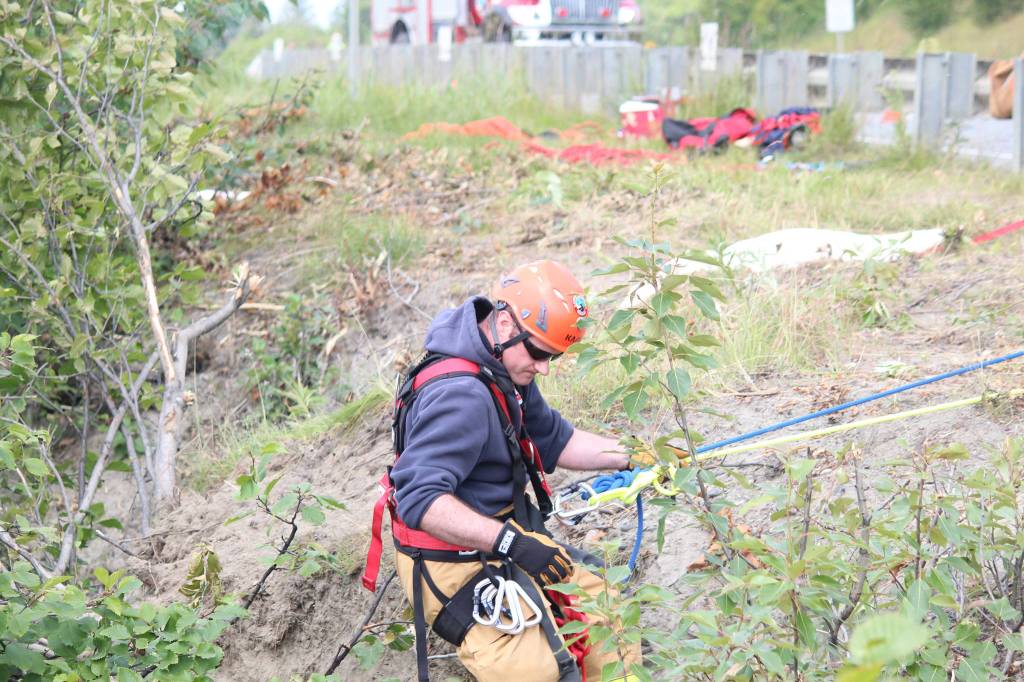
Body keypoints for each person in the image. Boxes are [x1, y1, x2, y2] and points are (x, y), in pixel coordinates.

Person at [362, 260, 643, 682]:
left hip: (503, 533)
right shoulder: (462, 397)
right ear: (507, 323)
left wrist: (639, 453)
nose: (545, 367)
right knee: (537, 670)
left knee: (607, 615)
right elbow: (421, 499)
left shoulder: (503, 366)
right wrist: (514, 544)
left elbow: (554, 440)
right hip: (447, 555)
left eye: (554, 355)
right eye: (540, 353)